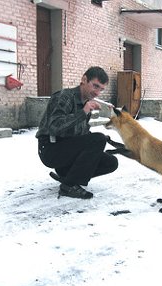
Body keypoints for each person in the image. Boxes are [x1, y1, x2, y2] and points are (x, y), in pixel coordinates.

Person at [36, 66, 118, 199]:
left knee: (111, 162)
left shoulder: (84, 102)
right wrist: (83, 112)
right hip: (50, 149)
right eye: (95, 86)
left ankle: (68, 175)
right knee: (98, 139)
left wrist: (101, 138)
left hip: (66, 150)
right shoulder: (64, 96)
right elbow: (54, 127)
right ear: (84, 79)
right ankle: (68, 186)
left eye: (101, 89)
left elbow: (80, 134)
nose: (97, 93)